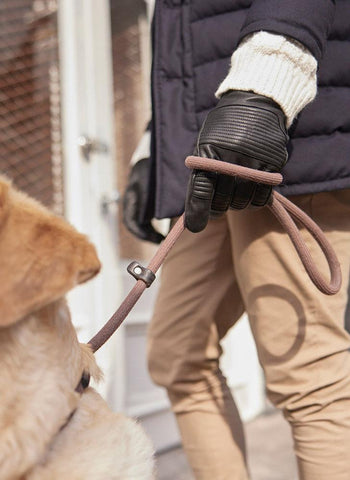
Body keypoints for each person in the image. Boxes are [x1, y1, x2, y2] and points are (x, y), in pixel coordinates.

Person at [123, 1, 350, 479]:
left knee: (308, 376)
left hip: (286, 130)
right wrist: (153, 147)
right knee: (178, 356)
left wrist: (266, 87)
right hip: (209, 143)